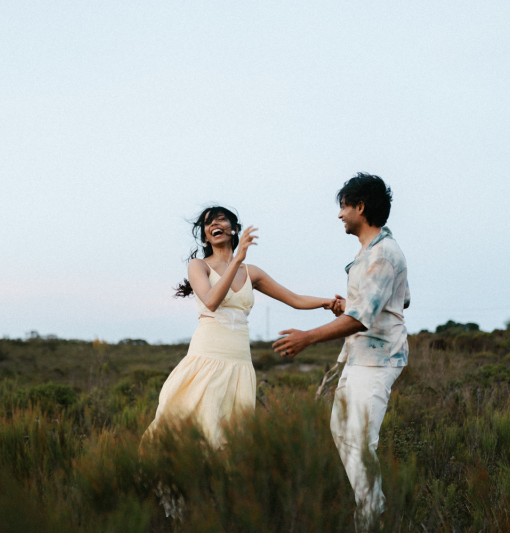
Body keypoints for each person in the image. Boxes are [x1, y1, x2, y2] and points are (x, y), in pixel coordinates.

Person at [272, 174, 410, 528]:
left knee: (359, 440)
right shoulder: (370, 252)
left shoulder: (383, 254)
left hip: (377, 359)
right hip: (358, 356)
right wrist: (351, 305)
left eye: (344, 207)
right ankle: (370, 507)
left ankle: (372, 516)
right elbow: (400, 300)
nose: (340, 215)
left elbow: (363, 318)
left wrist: (307, 337)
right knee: (342, 431)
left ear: (360, 207)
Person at [142, 206, 337, 450]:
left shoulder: (251, 272)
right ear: (205, 236)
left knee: (231, 438)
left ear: (234, 229)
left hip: (240, 363)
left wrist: (330, 303)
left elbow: (295, 299)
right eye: (208, 223)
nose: (214, 224)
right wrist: (237, 260)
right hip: (207, 358)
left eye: (220, 220)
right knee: (197, 429)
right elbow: (211, 301)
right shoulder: (198, 266)